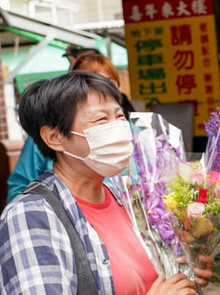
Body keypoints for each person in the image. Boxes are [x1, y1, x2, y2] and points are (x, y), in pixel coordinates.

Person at [0, 71, 213, 295]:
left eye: (119, 117)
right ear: (55, 137)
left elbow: (153, 283)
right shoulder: (32, 215)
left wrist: (186, 273)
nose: (119, 129)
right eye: (101, 120)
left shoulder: (127, 198)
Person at [7, 52, 133, 202]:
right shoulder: (36, 213)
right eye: (101, 119)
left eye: (109, 83)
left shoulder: (129, 132)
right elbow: (19, 188)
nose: (100, 89)